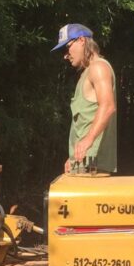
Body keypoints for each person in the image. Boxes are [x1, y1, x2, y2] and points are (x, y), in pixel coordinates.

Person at [51, 23, 117, 174]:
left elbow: (107, 106)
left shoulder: (98, 68)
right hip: (83, 162)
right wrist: (74, 156)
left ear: (81, 40)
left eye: (67, 47)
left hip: (91, 165)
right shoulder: (87, 72)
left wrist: (88, 141)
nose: (65, 55)